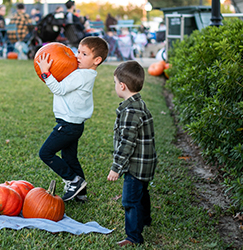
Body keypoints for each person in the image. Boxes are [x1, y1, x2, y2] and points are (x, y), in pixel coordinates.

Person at [35, 36, 109, 202]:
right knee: (70, 158)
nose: (77, 56)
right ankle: (81, 193)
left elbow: (59, 89)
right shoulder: (85, 73)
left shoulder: (81, 76)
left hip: (67, 125)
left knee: (45, 153)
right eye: (78, 51)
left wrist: (46, 72)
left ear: (96, 60)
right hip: (75, 125)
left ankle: (73, 180)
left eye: (84, 54)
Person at [107, 60, 157, 247]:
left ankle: (134, 237)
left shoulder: (130, 110)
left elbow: (127, 143)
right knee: (142, 192)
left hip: (136, 163)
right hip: (146, 162)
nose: (115, 87)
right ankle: (145, 219)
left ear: (122, 85)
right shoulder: (138, 104)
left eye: (115, 83)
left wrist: (116, 168)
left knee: (130, 199)